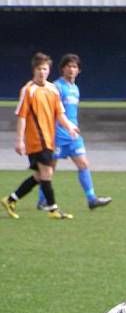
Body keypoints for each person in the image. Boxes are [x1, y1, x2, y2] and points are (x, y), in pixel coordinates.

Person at [2, 52, 79, 220]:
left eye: (44, 69)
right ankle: (53, 209)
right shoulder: (28, 90)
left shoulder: (53, 89)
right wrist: (19, 141)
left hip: (49, 138)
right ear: (33, 70)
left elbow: (60, 114)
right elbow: (21, 116)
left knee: (40, 175)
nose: (42, 72)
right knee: (47, 173)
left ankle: (10, 199)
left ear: (49, 70)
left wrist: (70, 127)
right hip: (35, 140)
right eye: (39, 69)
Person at [35, 53, 111, 211]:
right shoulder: (56, 87)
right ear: (62, 69)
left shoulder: (75, 89)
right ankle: (42, 201)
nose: (71, 69)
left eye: (74, 66)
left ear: (79, 70)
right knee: (49, 169)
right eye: (68, 66)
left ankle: (91, 199)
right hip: (57, 135)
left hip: (73, 135)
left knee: (83, 164)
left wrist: (72, 127)